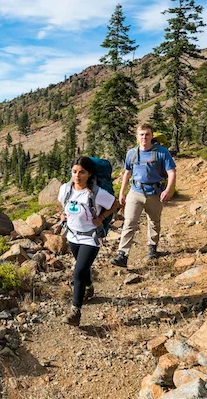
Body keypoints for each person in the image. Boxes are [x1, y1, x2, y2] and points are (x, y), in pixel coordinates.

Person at [58, 157, 118, 326]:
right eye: (74, 171)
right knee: (82, 268)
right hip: (72, 236)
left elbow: (116, 203)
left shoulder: (97, 193)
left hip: (91, 238)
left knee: (77, 272)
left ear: (89, 174)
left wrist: (102, 217)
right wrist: (63, 215)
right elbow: (63, 205)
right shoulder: (65, 189)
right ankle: (89, 287)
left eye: (82, 172)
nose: (77, 175)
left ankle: (75, 312)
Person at [110, 123, 176, 268]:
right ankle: (122, 254)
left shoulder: (162, 152)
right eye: (141, 134)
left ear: (152, 136)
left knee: (154, 221)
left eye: (147, 134)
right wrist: (122, 192)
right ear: (137, 137)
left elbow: (171, 172)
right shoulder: (131, 153)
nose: (144, 137)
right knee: (129, 223)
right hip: (135, 192)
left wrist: (168, 190)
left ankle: (152, 248)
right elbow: (127, 173)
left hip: (155, 193)